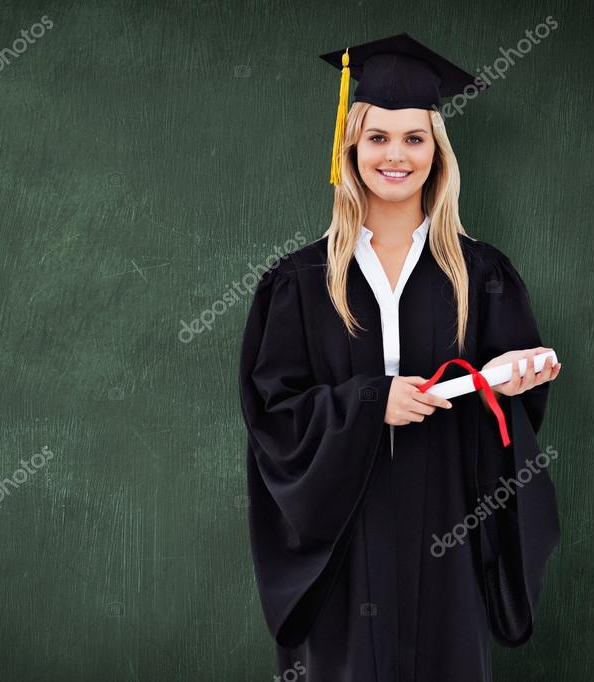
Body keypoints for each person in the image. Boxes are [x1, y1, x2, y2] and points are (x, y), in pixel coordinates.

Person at [238, 34, 562, 681]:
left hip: (451, 523)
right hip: (341, 533)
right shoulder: (298, 280)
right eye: (377, 137)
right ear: (350, 147)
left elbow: (510, 413)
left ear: (437, 153)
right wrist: (366, 401)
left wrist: (522, 376)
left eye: (414, 138)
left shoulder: (482, 273)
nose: (395, 155)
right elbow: (270, 412)